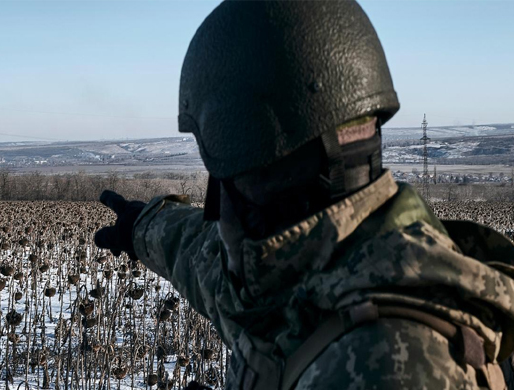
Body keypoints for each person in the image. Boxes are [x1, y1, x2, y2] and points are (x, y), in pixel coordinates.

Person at [95, 1, 514, 389]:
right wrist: (143, 226)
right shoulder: (320, 266)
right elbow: (210, 267)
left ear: (253, 163)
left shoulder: (388, 365)